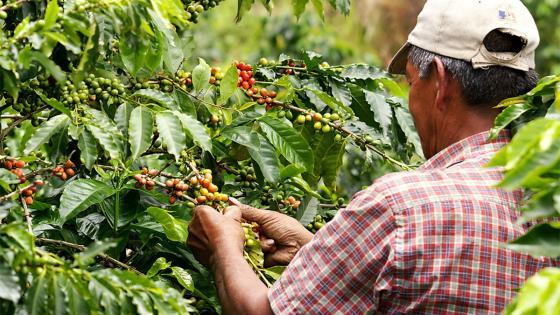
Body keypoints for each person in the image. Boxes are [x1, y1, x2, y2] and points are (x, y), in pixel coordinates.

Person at [187, 0, 560, 313]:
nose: (411, 98)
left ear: (441, 82)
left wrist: (222, 247)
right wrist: (318, 252)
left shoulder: (400, 209)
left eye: (413, 82)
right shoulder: (548, 201)